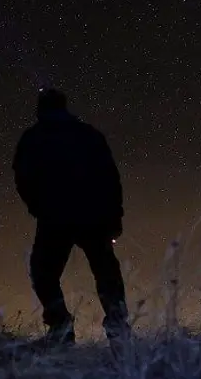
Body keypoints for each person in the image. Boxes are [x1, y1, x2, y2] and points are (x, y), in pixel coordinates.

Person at [12, 88, 130, 347]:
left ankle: (60, 326)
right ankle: (118, 327)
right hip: (94, 217)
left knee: (43, 272)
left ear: (40, 109)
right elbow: (111, 178)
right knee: (106, 274)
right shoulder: (89, 135)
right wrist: (114, 217)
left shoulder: (34, 138)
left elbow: (23, 177)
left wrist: (38, 207)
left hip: (55, 219)